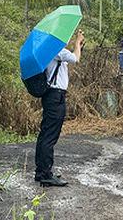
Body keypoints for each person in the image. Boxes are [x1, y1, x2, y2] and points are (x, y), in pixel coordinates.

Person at [34, 29, 85, 187]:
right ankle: (46, 175)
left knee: (45, 134)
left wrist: (78, 47)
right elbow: (75, 59)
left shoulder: (50, 51)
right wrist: (76, 43)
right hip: (55, 96)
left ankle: (41, 172)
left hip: (52, 96)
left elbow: (70, 67)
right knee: (50, 136)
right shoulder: (55, 50)